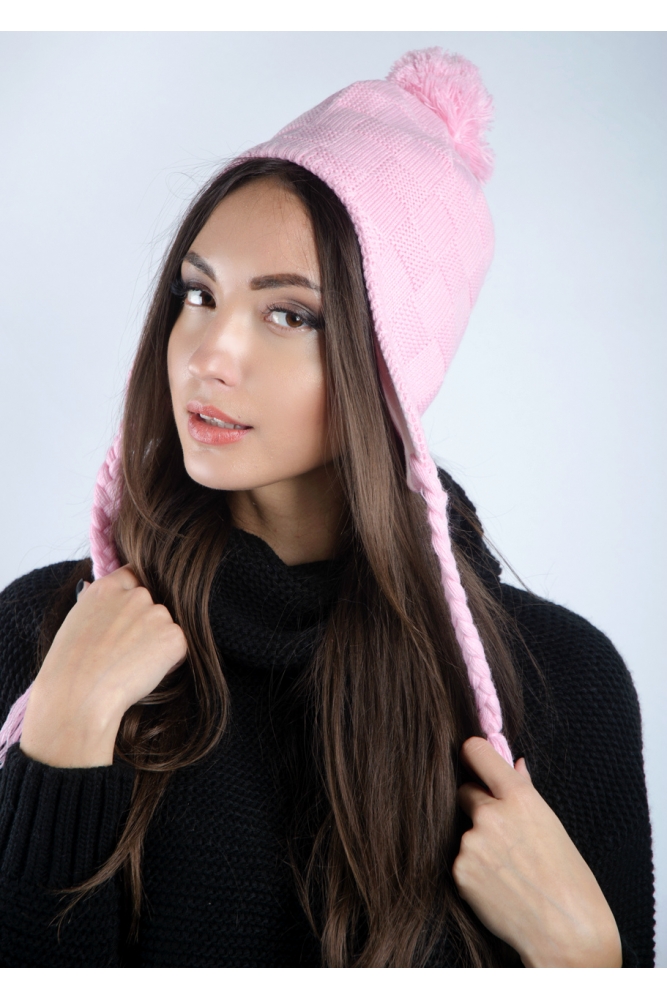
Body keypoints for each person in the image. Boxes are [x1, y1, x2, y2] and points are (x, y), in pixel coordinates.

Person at [0, 48, 654, 968]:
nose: (207, 355)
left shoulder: (560, 683)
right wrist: (62, 738)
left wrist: (586, 962)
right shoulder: (50, 636)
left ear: (394, 363)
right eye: (198, 294)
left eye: (290, 314)